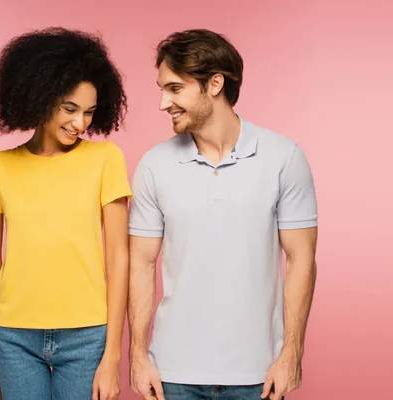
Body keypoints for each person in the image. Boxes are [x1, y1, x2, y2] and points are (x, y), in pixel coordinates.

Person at [127, 29, 318, 400]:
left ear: (214, 84)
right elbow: (140, 264)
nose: (163, 102)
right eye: (162, 89)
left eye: (174, 89)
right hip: (172, 374)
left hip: (259, 375)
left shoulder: (284, 158)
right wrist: (137, 355)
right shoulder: (154, 165)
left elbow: (301, 260)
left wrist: (292, 352)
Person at [0, 27, 132, 400]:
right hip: (12, 337)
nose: (80, 124)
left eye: (89, 112)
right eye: (70, 109)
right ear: (39, 97)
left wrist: (112, 357)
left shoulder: (106, 160)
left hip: (87, 336)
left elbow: (119, 257)